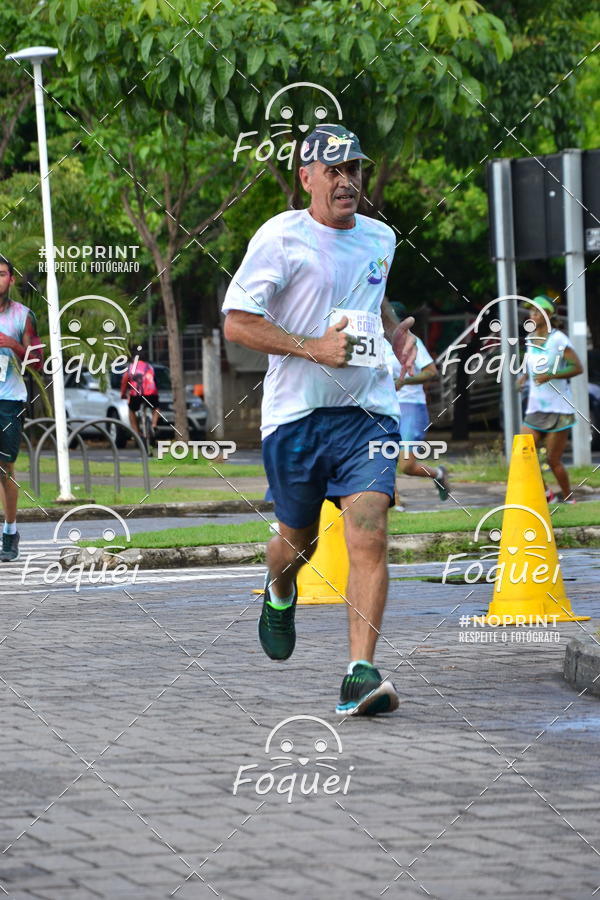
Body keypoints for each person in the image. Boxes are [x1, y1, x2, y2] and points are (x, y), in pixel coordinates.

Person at [223, 124, 416, 716]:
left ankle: (360, 672)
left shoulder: (381, 238)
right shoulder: (280, 238)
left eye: (353, 168)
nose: (346, 180)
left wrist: (391, 335)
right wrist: (315, 347)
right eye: (332, 170)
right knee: (294, 544)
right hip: (297, 418)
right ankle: (280, 589)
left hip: (368, 415)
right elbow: (237, 323)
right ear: (305, 177)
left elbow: (369, 296)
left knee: (370, 530)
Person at [519, 295, 583, 503]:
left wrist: (551, 376)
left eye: (537, 312)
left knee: (552, 459)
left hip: (559, 409)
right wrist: (523, 377)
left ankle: (569, 498)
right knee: (524, 454)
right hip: (535, 408)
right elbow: (532, 365)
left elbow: (577, 368)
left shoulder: (559, 339)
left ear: (547, 315)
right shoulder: (530, 339)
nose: (533, 315)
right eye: (531, 311)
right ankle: (547, 495)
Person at [0, 257, 43, 562]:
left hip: (9, 399)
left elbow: (38, 362)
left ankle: (10, 531)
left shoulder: (22, 316)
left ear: (11, 280)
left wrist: (12, 345)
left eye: (1, 274)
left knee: (5, 469)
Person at [384, 329, 450, 511]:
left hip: (411, 405)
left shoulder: (411, 341)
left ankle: (438, 474)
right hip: (383, 406)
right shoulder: (374, 340)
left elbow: (431, 372)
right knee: (382, 459)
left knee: (406, 465)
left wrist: (405, 381)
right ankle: (396, 502)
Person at [120, 351, 160, 445]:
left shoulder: (131, 367)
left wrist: (123, 394)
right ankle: (154, 425)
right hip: (151, 393)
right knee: (156, 408)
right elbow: (154, 380)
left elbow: (124, 381)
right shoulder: (150, 367)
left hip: (136, 394)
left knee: (131, 410)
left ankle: (137, 433)